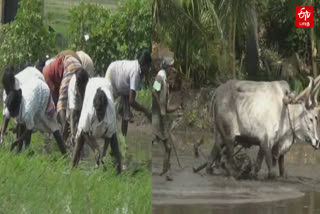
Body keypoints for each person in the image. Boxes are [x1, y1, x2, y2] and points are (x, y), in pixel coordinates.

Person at [4, 75, 66, 154]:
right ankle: (21, 151)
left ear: (18, 108)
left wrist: (18, 140)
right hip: (33, 88)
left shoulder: (27, 111)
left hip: (42, 92)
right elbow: (19, 123)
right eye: (11, 113)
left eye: (13, 113)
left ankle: (65, 154)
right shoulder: (10, 106)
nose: (12, 116)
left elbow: (28, 129)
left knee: (51, 125)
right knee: (23, 122)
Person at [72, 77, 121, 174]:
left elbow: (109, 137)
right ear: (95, 108)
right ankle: (72, 167)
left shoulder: (110, 111)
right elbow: (85, 132)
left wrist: (103, 153)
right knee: (80, 138)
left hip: (106, 85)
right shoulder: (89, 112)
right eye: (98, 113)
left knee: (114, 141)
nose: (100, 116)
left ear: (106, 108)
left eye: (102, 113)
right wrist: (95, 149)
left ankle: (119, 172)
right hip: (91, 86)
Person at [42, 50, 93, 133]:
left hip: (71, 65)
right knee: (65, 101)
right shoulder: (55, 65)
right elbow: (62, 101)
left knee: (63, 102)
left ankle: (67, 130)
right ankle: (67, 128)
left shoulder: (47, 73)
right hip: (73, 66)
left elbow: (61, 100)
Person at [105, 50, 152, 136]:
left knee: (126, 114)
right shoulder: (136, 72)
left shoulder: (140, 69)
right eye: (148, 68)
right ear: (145, 65)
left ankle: (123, 137)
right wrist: (145, 110)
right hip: (112, 75)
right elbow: (132, 101)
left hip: (123, 85)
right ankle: (108, 134)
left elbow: (150, 84)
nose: (149, 70)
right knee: (109, 108)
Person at [1, 66, 47, 144]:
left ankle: (25, 147)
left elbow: (26, 121)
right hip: (27, 96)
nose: (7, 90)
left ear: (12, 84)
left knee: (26, 123)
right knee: (21, 123)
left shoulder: (21, 86)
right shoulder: (7, 92)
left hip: (38, 84)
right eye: (6, 89)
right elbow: (7, 115)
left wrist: (19, 138)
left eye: (9, 88)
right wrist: (2, 135)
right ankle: (20, 146)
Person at [152, 57, 181, 181]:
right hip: (156, 119)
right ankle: (165, 171)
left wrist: (176, 108)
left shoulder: (164, 79)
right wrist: (161, 109)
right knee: (161, 145)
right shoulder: (160, 77)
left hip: (160, 119)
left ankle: (166, 170)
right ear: (167, 68)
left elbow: (165, 106)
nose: (172, 70)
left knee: (167, 147)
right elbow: (154, 91)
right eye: (171, 67)